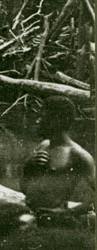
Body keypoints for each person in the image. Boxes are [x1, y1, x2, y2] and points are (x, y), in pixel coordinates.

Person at [20, 95, 95, 227]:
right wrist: (29, 165)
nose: (38, 121)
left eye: (43, 117)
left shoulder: (77, 154)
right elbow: (25, 189)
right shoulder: (43, 146)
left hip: (54, 221)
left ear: (58, 120)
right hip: (32, 214)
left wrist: (66, 212)